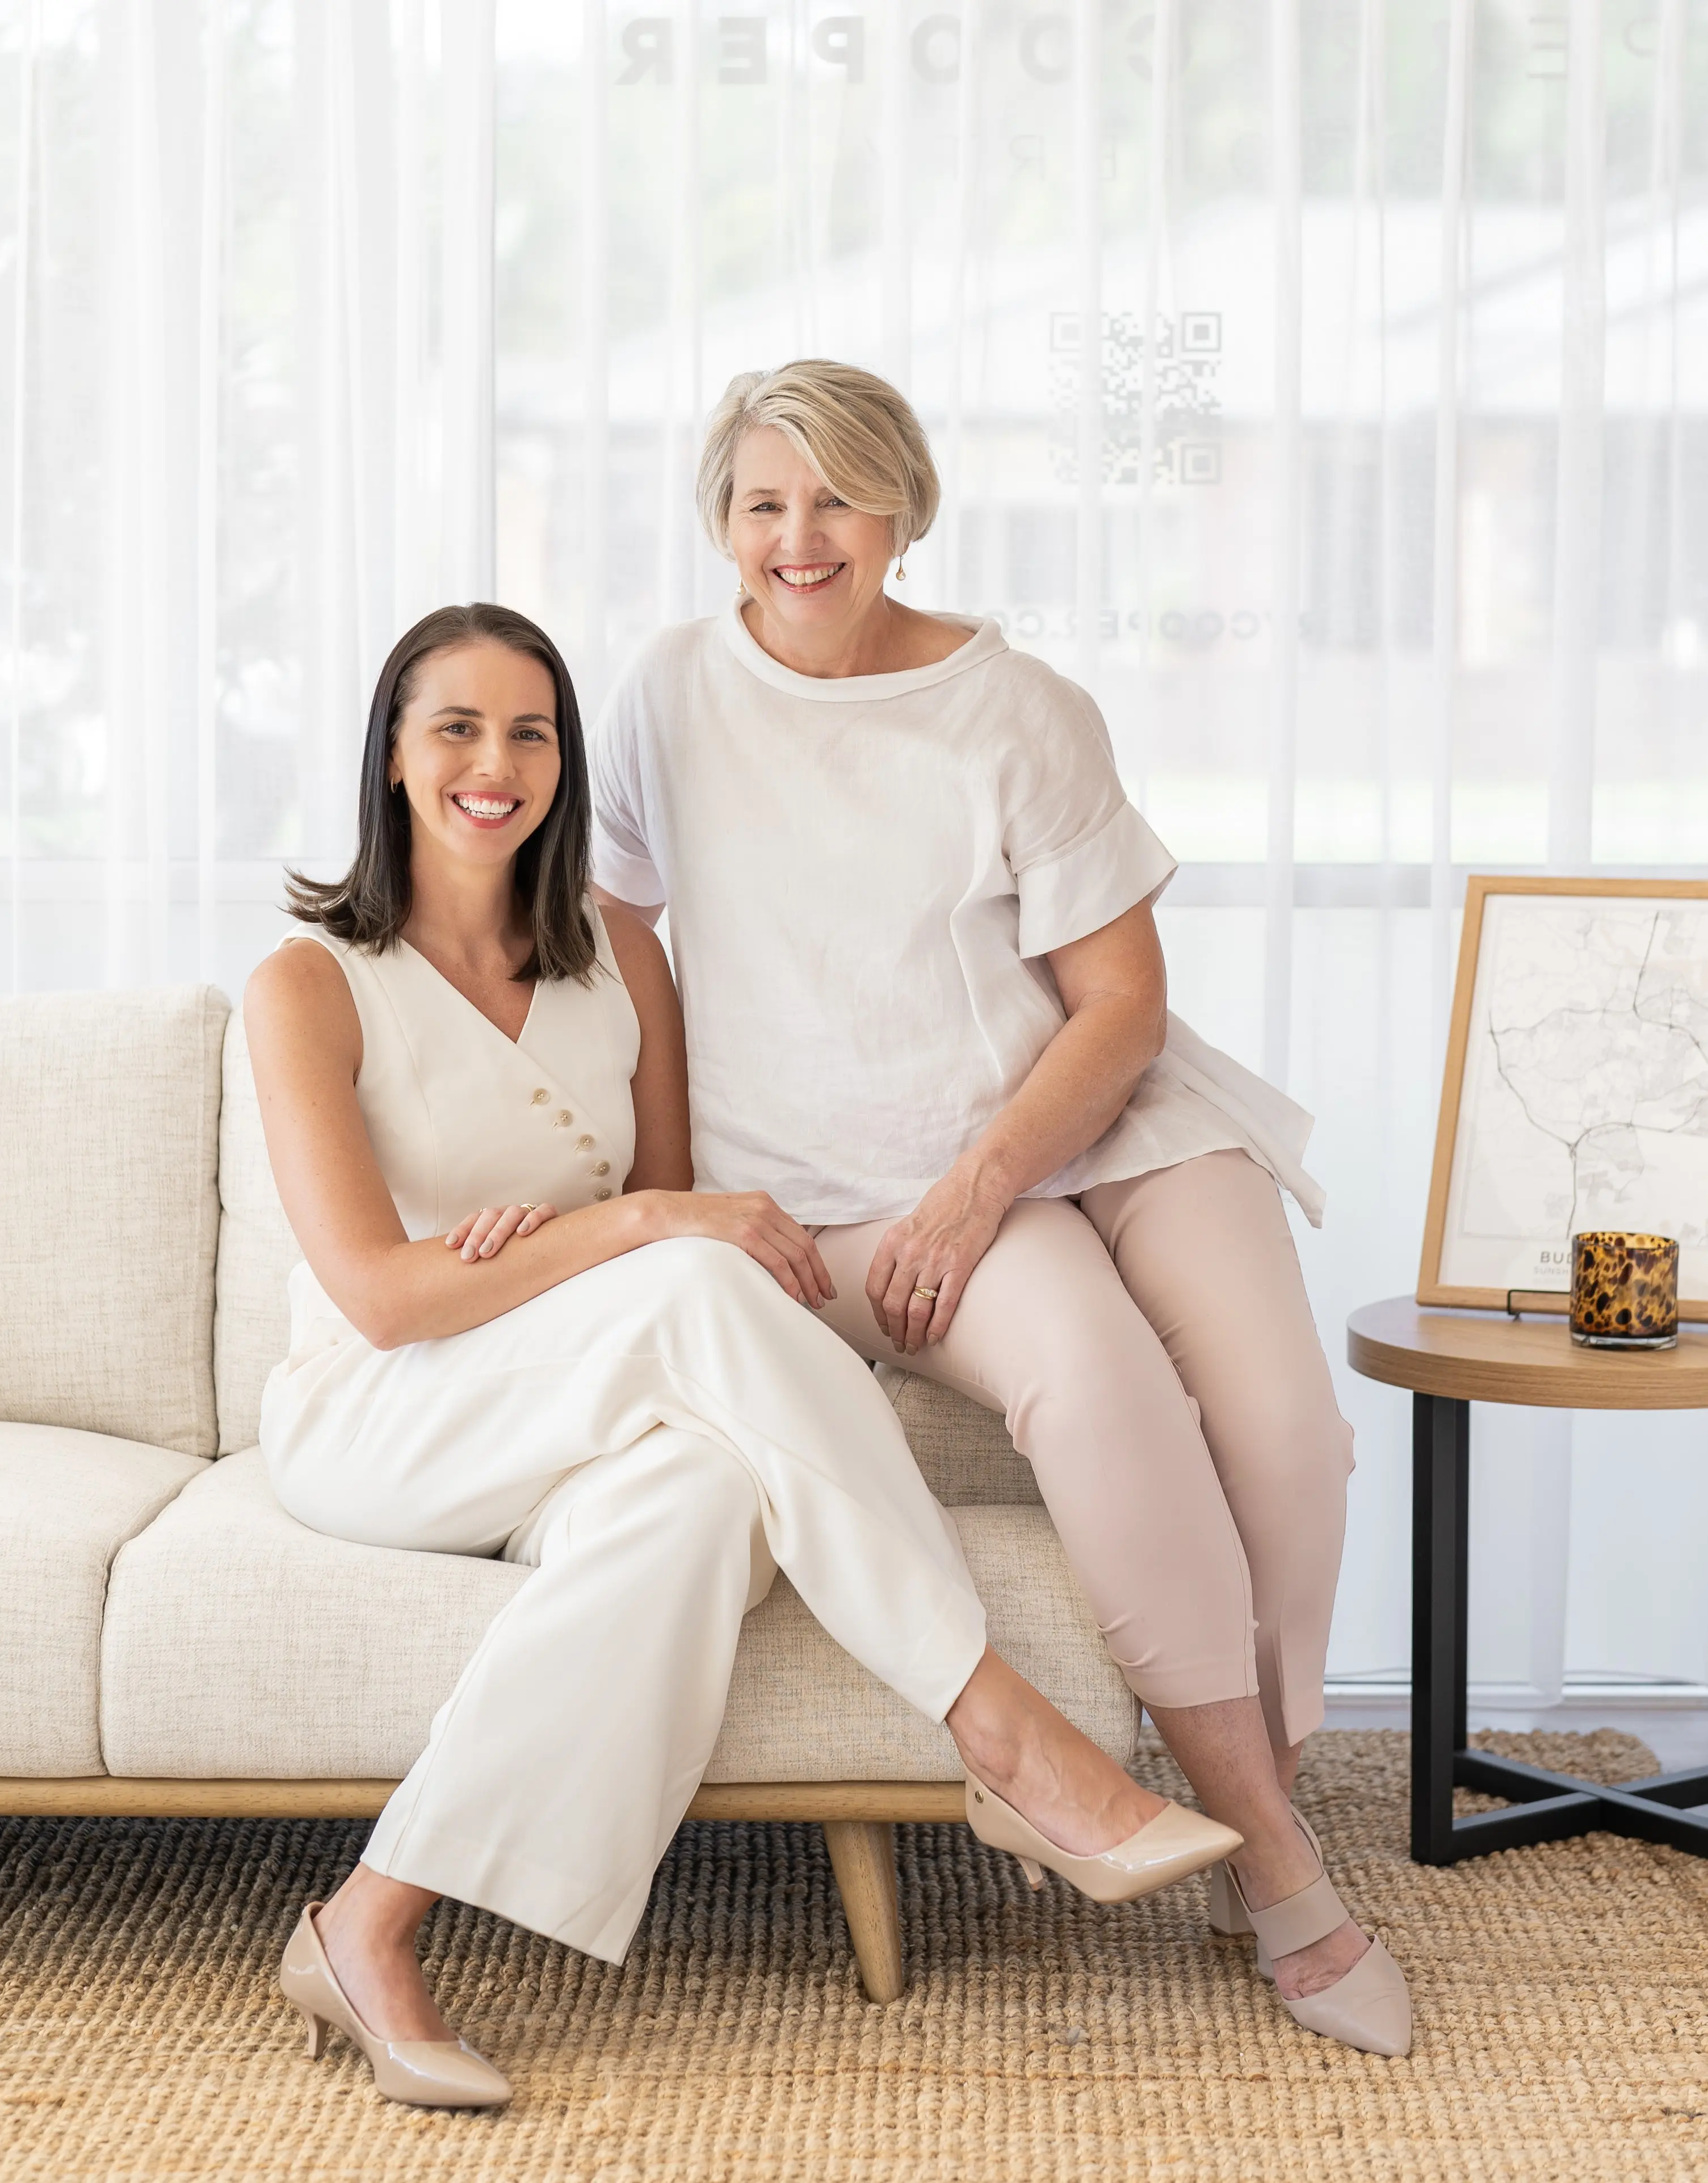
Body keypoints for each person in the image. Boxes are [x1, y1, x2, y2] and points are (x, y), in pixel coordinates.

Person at [245, 602, 1241, 2110]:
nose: (493, 763)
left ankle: (368, 1923)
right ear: (391, 753)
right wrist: (609, 1230)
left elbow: (662, 1217)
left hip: (578, 1391)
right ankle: (1002, 1727)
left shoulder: (618, 955)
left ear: (568, 762)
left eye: (531, 730)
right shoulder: (311, 981)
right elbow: (389, 1295)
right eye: (455, 726)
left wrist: (600, 1235)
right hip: (382, 1412)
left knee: (703, 1501)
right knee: (701, 1279)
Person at [587, 361, 1411, 2059]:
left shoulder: (1013, 705)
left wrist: (979, 1188)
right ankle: (1279, 1868)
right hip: (855, 1183)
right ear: (720, 524)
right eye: (762, 502)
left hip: (1096, 1118)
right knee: (1107, 1394)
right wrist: (670, 1184)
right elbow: (625, 942)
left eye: (836, 499)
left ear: (905, 508)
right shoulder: (668, 692)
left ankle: (1256, 1765)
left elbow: (1117, 1001)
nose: (799, 538)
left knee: (1287, 1434)